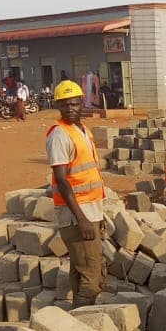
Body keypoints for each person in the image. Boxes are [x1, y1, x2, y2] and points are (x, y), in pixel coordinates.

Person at [46, 80, 106, 306]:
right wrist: (82, 219)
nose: (70, 109)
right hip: (76, 214)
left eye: (74, 104)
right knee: (92, 275)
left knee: (80, 269)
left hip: (89, 208)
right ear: (58, 107)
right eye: (65, 105)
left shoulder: (82, 130)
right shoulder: (60, 135)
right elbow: (62, 180)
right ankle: (83, 325)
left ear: (82, 103)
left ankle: (76, 322)